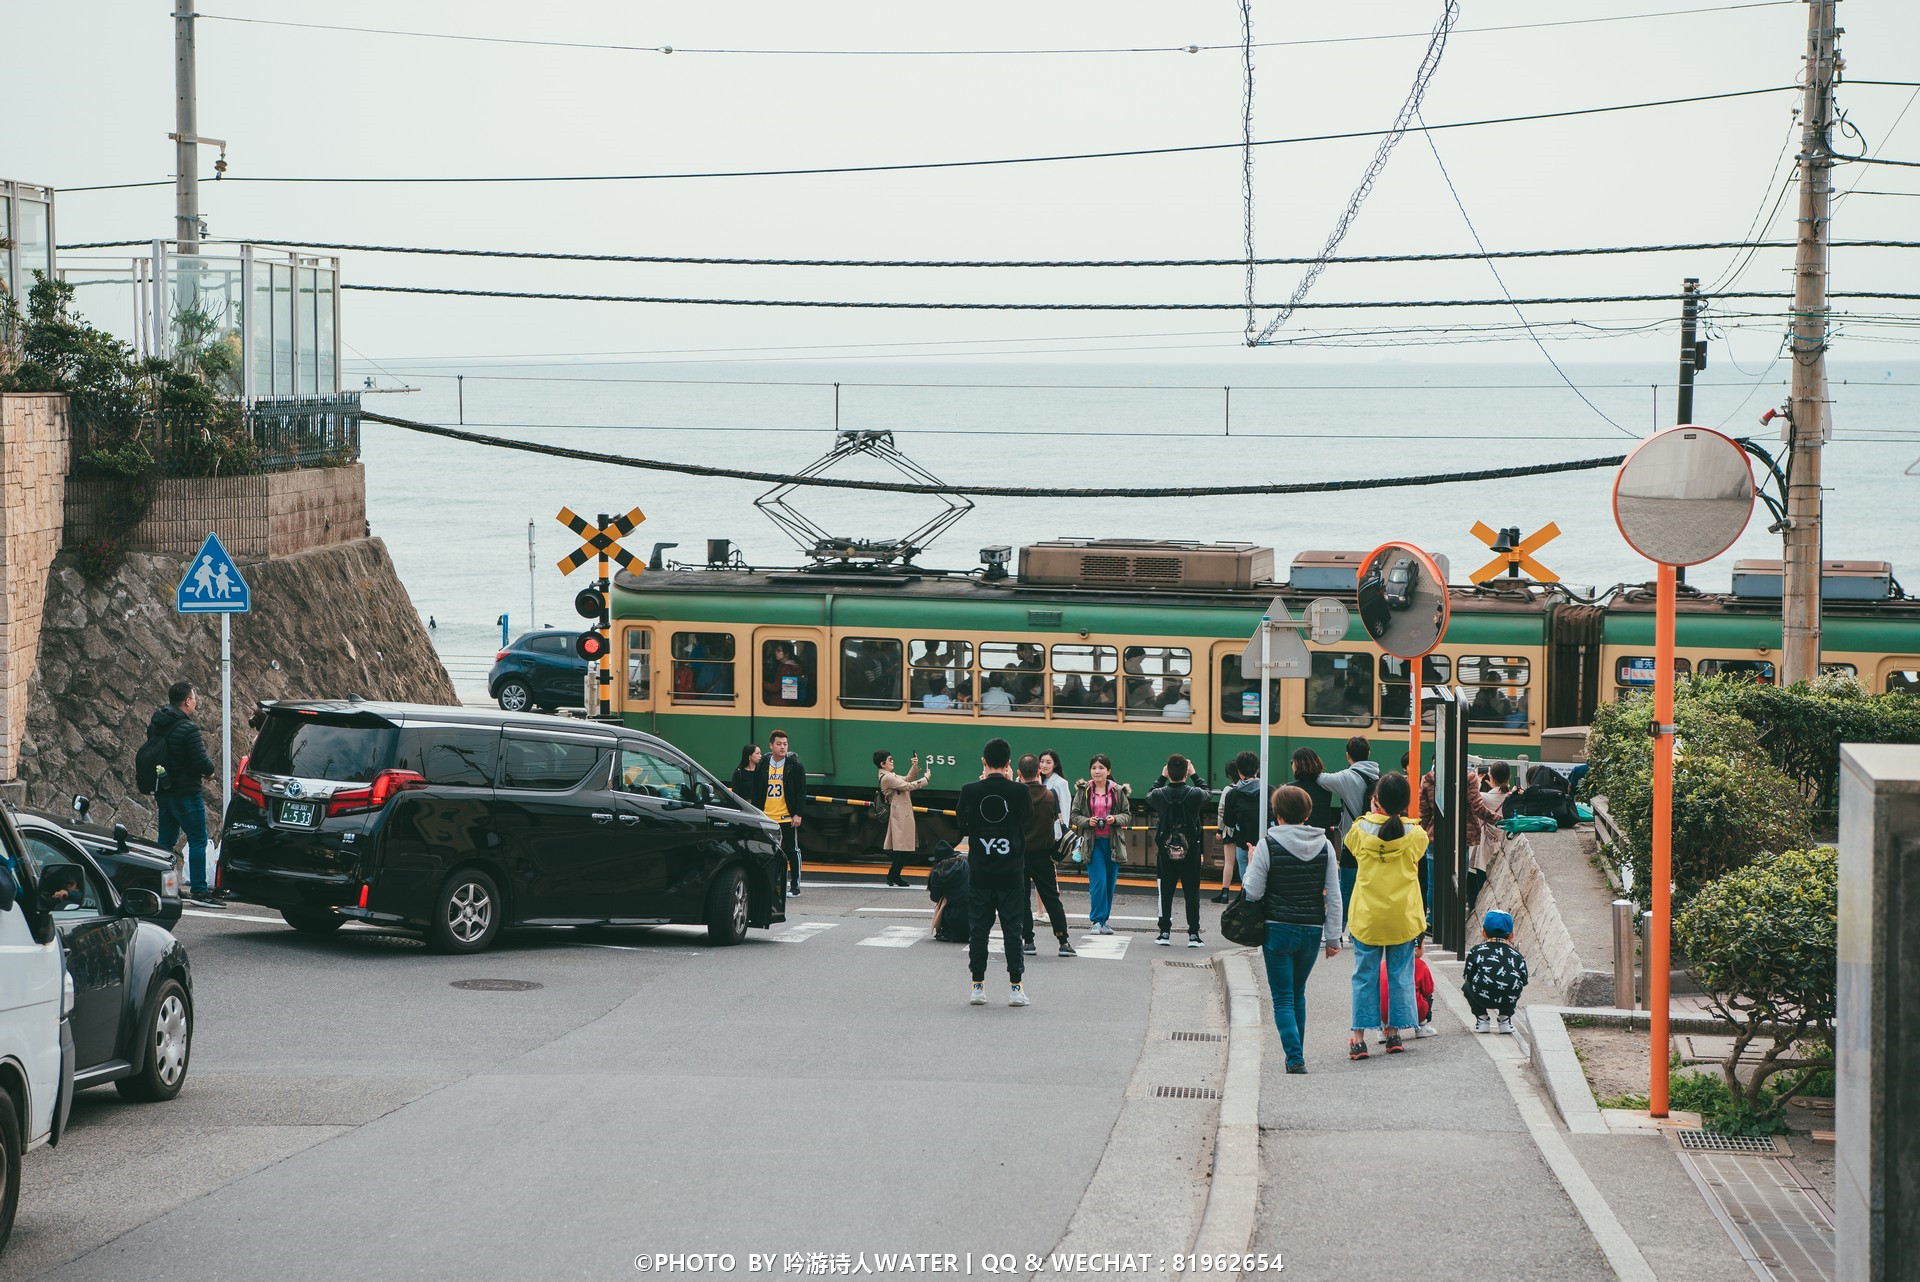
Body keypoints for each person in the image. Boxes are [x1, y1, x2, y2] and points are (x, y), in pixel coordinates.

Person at [1244, 784, 1343, 1074]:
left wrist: (1251, 864)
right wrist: (1333, 937)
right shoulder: (1324, 844)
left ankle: (1294, 1057)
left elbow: (1252, 892)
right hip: (1312, 930)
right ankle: (1296, 1053)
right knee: (1298, 992)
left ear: (1277, 813)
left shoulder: (1267, 844)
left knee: (1283, 997)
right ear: (1307, 813)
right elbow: (1334, 894)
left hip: (1277, 928)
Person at [1344, 772, 1429, 1060]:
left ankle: (1358, 1040)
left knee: (1364, 976)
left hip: (1368, 917)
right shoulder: (1416, 834)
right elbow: (1415, 849)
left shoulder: (1359, 831)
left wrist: (1372, 813)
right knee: (1400, 975)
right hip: (1402, 918)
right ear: (1406, 803)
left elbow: (1353, 847)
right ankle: (1394, 1034)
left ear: (1375, 800)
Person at [957, 738, 1034, 1007]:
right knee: (1013, 931)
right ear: (1009, 764)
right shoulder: (1019, 792)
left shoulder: (969, 790)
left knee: (979, 930)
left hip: (980, 873)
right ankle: (1016, 989)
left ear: (983, 761)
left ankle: (977, 987)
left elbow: (960, 823)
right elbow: (1026, 819)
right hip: (1011, 873)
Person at [145, 680, 223, 907]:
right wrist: (210, 773)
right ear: (188, 701)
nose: (195, 702)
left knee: (165, 842)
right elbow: (201, 761)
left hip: (164, 789)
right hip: (186, 791)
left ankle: (165, 887)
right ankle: (200, 891)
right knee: (198, 839)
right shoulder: (189, 728)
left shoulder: (157, 724)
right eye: (195, 698)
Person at [1147, 754, 1208, 948]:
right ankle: (1193, 935)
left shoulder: (1159, 795)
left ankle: (1164, 933)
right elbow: (1208, 792)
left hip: (1166, 851)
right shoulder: (1195, 794)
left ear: (1168, 771)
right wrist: (1195, 774)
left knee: (1165, 891)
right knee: (1192, 893)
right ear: (1186, 772)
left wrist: (1161, 777)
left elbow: (1150, 794)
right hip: (1191, 849)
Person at [1017, 755, 1075, 957]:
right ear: (1038, 772)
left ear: (1019, 773)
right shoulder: (1051, 796)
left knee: (1022, 898)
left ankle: (1028, 941)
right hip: (1043, 855)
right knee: (1052, 898)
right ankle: (1063, 941)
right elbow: (1058, 825)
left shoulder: (1016, 796)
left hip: (1019, 856)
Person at [1069, 755, 1131, 934]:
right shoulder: (1084, 790)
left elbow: (1127, 814)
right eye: (1094, 767)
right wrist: (1088, 821)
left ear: (1108, 771)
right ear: (1090, 770)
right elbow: (1074, 815)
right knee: (1099, 882)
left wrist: (1115, 819)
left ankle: (1104, 921)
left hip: (1113, 844)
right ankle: (1096, 921)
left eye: (1101, 768)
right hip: (1092, 843)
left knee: (1110, 883)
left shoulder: (1118, 791)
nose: (1097, 771)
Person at [750, 730, 807, 896]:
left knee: (792, 851)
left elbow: (801, 791)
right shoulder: (763, 765)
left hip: (786, 817)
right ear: (771, 745)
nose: (783, 747)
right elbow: (756, 790)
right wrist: (756, 812)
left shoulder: (794, 766)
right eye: (779, 744)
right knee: (768, 852)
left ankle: (795, 886)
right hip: (767, 816)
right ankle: (770, 886)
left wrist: (798, 814)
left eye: (785, 744)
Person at [1463, 909, 1530, 1034]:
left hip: (1481, 997)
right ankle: (1505, 1019)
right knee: (1514, 985)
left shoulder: (1477, 951)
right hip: (1507, 999)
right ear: (1511, 935)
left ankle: (1482, 1019)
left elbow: (1468, 975)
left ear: (1483, 932)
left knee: (1466, 986)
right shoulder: (1517, 955)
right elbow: (1524, 980)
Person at [877, 750, 931, 887]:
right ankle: (894, 875)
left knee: (903, 848)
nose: (892, 761)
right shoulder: (887, 778)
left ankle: (893, 875)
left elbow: (906, 779)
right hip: (900, 814)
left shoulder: (889, 775)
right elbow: (907, 786)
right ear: (882, 764)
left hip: (902, 813)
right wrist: (925, 780)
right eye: (890, 760)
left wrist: (914, 766)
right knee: (902, 848)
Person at [1217, 751, 1264, 904]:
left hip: (1243, 841)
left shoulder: (1232, 793)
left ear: (1238, 771)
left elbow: (1227, 820)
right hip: (1264, 842)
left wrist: (1222, 828)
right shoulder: (1268, 790)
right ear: (1257, 770)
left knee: (1241, 866)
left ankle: (1247, 898)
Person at [1383, 938, 1438, 1037]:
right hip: (1412, 1011)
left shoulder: (1383, 964)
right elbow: (1428, 990)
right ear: (1416, 948)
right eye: (1423, 944)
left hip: (1384, 1013)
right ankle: (1422, 1025)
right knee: (1427, 996)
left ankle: (1383, 1030)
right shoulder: (1420, 964)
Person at [927, 842, 972, 942]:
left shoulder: (937, 872)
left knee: (943, 901)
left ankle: (947, 931)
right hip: (975, 917)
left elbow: (934, 897)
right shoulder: (967, 865)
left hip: (954, 919)